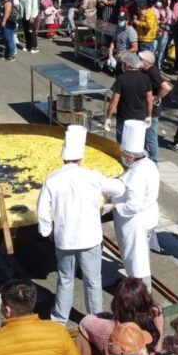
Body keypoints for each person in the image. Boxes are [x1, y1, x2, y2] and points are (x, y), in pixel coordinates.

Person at [36, 126, 124, 326]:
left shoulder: (52, 179)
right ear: (81, 158)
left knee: (65, 279)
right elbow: (118, 188)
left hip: (65, 238)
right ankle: (97, 318)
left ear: (63, 158)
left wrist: (47, 231)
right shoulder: (91, 176)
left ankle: (59, 318)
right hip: (89, 237)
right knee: (93, 280)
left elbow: (42, 209)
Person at [78, 277, 164, 355]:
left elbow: (85, 322)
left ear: (117, 303)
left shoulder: (110, 327)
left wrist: (106, 315)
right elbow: (157, 348)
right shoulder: (155, 314)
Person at [111, 120, 160, 286]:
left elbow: (133, 205)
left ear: (131, 156)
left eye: (124, 154)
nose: (122, 156)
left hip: (135, 222)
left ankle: (140, 292)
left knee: (136, 261)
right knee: (140, 255)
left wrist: (114, 206)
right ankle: (136, 285)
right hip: (149, 215)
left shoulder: (136, 175)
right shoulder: (149, 164)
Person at [103, 52, 153, 143]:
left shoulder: (121, 79)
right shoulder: (145, 78)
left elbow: (114, 102)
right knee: (136, 144)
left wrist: (108, 118)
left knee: (122, 144)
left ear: (127, 64)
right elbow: (149, 100)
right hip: (140, 118)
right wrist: (149, 116)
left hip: (124, 118)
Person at [138, 50, 170, 162]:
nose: (139, 60)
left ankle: (153, 160)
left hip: (152, 110)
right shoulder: (147, 70)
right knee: (146, 135)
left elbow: (166, 88)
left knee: (150, 136)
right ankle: (146, 158)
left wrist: (156, 97)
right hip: (147, 108)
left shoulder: (152, 72)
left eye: (141, 59)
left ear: (147, 62)